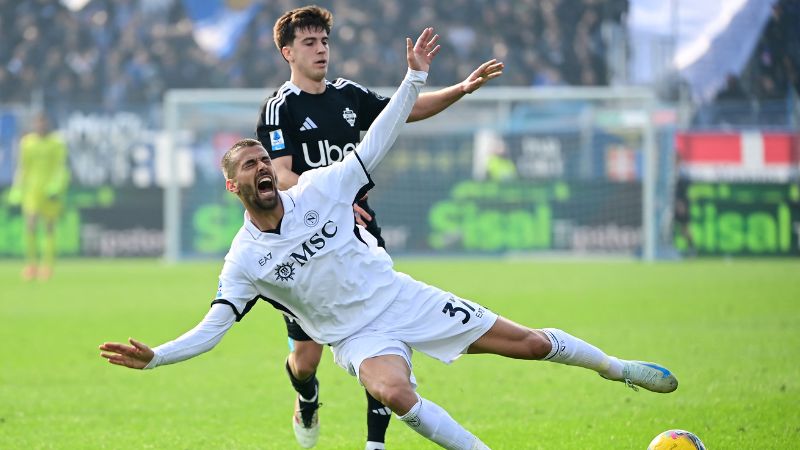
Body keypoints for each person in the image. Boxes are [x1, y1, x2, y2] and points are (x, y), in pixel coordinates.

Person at [100, 28, 678, 450]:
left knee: (526, 343)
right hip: (354, 336)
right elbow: (213, 329)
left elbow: (377, 139)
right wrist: (157, 359)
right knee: (392, 391)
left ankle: (615, 368)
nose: (263, 169)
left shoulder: (320, 189)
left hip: (401, 297)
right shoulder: (244, 262)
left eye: (264, 162)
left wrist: (417, 79)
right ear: (233, 186)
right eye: (250, 165)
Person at [255, 6, 503, 449]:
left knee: (382, 327)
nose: (321, 50)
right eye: (309, 43)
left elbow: (400, 110)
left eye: (325, 42)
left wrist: (461, 89)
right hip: (309, 246)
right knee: (306, 359)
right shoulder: (280, 108)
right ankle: (307, 396)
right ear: (287, 51)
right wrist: (331, 201)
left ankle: (376, 443)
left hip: (360, 233)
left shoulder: (347, 94)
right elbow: (282, 174)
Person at [8, 112, 70, 281]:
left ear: (48, 123)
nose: (40, 126)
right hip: (32, 191)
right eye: (37, 123)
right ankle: (31, 265)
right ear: (34, 125)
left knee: (49, 227)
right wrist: (17, 189)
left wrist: (56, 187)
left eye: (43, 122)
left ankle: (47, 265)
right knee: (31, 224)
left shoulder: (57, 143)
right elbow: (22, 167)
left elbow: (61, 168)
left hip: (50, 191)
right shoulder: (27, 143)